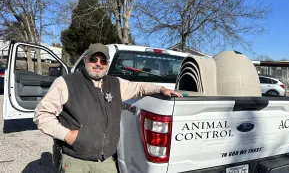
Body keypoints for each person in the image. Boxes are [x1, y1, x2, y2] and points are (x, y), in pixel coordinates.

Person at [33, 43, 182, 173]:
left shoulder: (116, 83)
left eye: (103, 60)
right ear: (85, 60)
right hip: (76, 160)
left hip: (106, 160)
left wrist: (161, 89)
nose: (98, 63)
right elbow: (42, 115)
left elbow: (139, 87)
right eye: (94, 59)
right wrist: (67, 135)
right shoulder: (65, 83)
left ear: (108, 64)